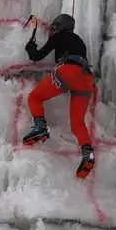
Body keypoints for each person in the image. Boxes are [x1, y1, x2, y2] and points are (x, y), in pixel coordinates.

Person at [21, 13, 97, 178]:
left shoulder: (59, 36)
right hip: (86, 78)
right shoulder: (79, 42)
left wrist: (30, 48)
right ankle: (88, 153)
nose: (52, 31)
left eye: (54, 27)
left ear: (60, 27)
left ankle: (40, 126)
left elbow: (37, 56)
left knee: (35, 97)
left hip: (69, 71)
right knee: (78, 124)